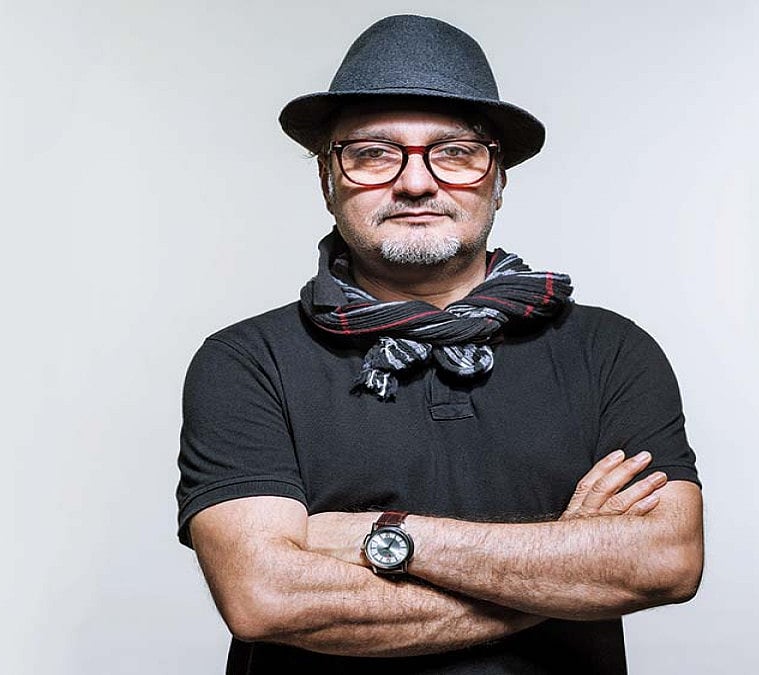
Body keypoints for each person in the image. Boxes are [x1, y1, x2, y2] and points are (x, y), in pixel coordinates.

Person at [176, 14, 704, 674]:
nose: (416, 182)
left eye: (455, 152)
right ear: (327, 181)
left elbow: (666, 562)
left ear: (499, 180)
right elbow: (266, 598)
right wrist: (567, 569)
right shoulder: (246, 362)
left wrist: (386, 537)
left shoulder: (611, 352)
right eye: (372, 154)